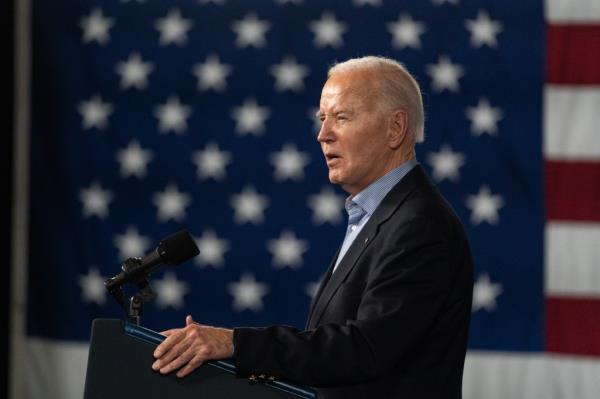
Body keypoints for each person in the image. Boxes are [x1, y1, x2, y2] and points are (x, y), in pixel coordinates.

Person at [151, 56, 474, 399]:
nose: (323, 135)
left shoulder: (419, 224)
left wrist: (235, 344)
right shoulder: (380, 216)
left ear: (395, 128)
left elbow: (365, 348)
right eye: (323, 119)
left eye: (342, 118)